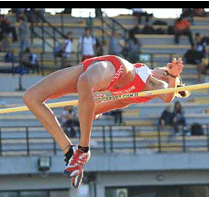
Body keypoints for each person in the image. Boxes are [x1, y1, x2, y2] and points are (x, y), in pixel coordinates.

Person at [22, 55, 189, 188]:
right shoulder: (135, 86)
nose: (164, 72)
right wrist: (92, 101)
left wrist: (173, 77)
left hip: (109, 69)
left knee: (85, 81)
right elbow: (90, 111)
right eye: (166, 71)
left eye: (167, 75)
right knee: (31, 97)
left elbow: (168, 96)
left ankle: (83, 150)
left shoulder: (152, 85)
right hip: (94, 67)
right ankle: (69, 152)